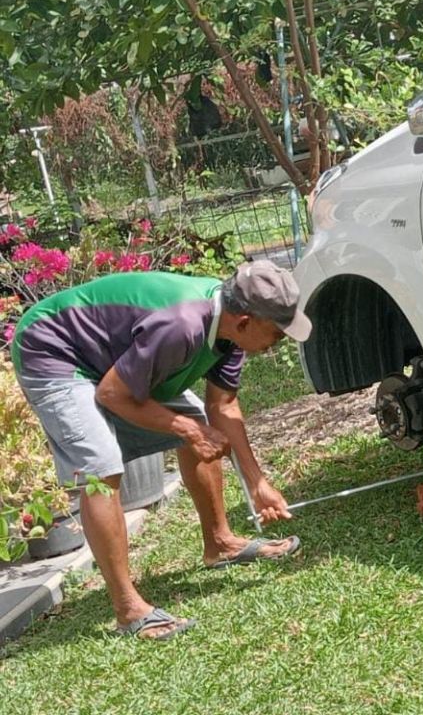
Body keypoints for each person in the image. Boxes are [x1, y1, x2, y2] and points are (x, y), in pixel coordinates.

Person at [11, 260, 311, 639]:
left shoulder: (231, 329)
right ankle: (128, 609)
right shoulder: (182, 324)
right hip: (55, 350)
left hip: (111, 361)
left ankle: (220, 544)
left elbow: (224, 407)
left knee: (200, 419)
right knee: (101, 466)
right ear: (246, 321)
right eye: (277, 333)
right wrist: (188, 429)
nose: (277, 343)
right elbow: (112, 393)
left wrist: (258, 483)